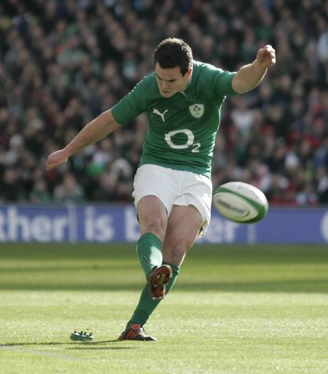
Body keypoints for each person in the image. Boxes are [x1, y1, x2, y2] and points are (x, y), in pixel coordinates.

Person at [46, 38, 276, 341]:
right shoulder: (149, 88)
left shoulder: (207, 79)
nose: (163, 85)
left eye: (170, 80)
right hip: (157, 167)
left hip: (196, 175)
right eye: (159, 77)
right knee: (153, 224)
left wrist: (260, 66)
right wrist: (68, 150)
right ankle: (154, 271)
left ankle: (135, 326)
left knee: (177, 249)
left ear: (188, 72)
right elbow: (109, 121)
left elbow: (241, 81)